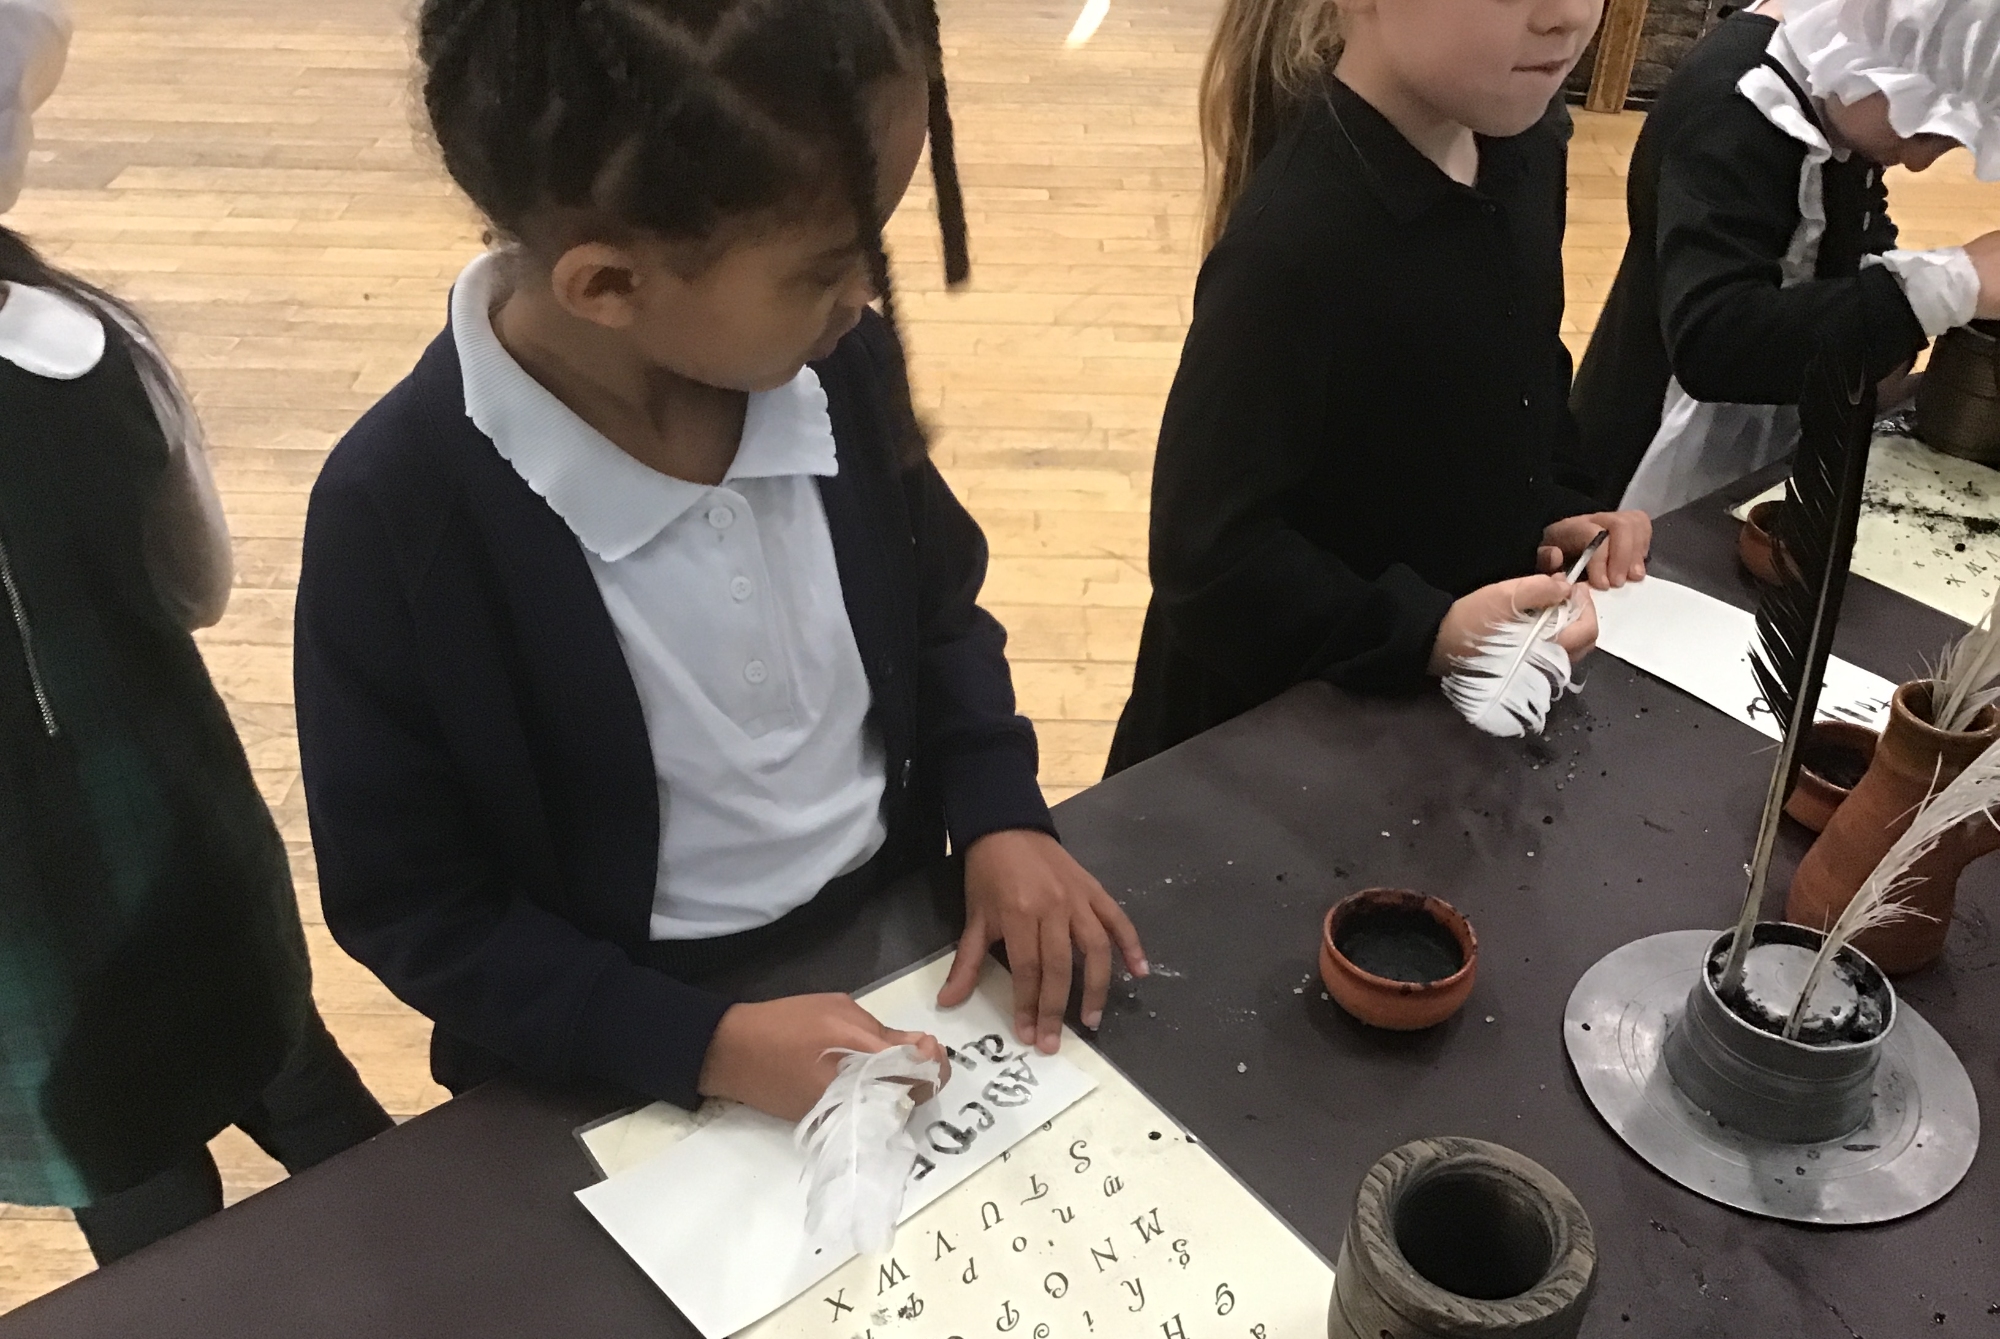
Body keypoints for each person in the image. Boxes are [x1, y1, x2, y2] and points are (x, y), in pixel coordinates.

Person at [295, 0, 1147, 1126]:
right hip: (611, 1057)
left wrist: (998, 809)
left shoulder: (833, 365)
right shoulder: (394, 517)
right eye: (827, 268)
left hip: (901, 944)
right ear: (608, 286)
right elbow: (414, 906)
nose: (866, 297)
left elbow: (937, 606)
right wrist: (705, 1045)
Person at [0, 0, 391, 1265]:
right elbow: (196, 586)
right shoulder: (95, 348)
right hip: (186, 855)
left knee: (158, 1256)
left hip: (30, 999)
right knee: (330, 1122)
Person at [1104, 0, 1651, 775]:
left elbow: (1521, 366)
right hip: (1267, 754)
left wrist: (1556, 505)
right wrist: (1427, 633)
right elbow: (1210, 560)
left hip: (1437, 728)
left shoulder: (1528, 148)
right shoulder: (1291, 245)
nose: (1567, 15)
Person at [1573, 0, 2000, 515]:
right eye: (1925, 130)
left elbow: (1854, 220)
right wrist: (1946, 286)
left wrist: (1883, 338)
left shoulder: (1838, 92)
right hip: (1649, 451)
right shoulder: (1734, 108)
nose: (1919, 161)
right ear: (1867, 57)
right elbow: (1713, 344)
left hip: (1771, 414)